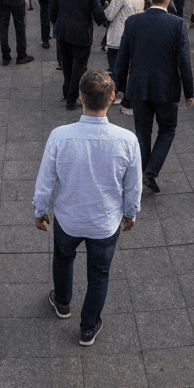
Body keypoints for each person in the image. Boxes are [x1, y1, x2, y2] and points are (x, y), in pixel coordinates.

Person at [33, 69, 141, 347]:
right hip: (105, 222)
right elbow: (133, 186)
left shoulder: (60, 136)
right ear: (113, 97)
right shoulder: (128, 140)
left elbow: (46, 180)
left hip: (68, 218)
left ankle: (62, 302)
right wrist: (130, 212)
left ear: (81, 97)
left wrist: (39, 210)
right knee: (99, 275)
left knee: (63, 259)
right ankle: (88, 328)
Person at [114, 0, 194, 193]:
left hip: (138, 86)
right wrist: (189, 91)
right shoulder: (177, 24)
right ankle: (150, 172)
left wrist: (118, 84)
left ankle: (144, 172)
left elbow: (122, 56)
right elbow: (184, 61)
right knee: (167, 129)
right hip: (166, 87)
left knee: (142, 131)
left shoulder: (133, 21)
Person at [51, 0, 107, 110]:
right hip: (81, 33)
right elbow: (98, 14)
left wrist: (56, 23)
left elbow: (52, 7)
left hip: (63, 30)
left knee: (67, 63)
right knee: (80, 65)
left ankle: (67, 91)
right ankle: (72, 97)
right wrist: (106, 18)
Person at [103, 0, 145, 81]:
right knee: (128, 72)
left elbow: (109, 15)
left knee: (115, 71)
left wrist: (106, 7)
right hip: (132, 38)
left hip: (117, 38)